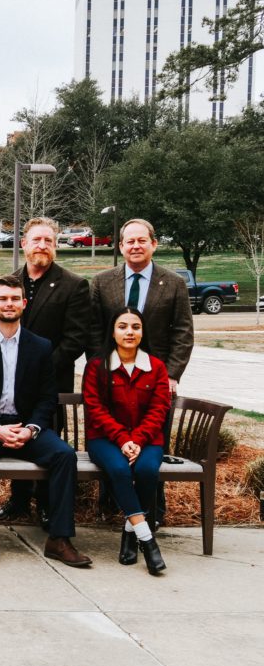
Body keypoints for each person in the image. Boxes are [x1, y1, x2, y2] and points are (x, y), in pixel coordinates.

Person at [0, 275, 92, 569]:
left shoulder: (40, 346)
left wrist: (31, 429)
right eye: (3, 299)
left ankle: (59, 539)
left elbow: (47, 397)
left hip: (27, 426)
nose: (9, 304)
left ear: (24, 304)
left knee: (64, 455)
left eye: (15, 299)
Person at [90, 218, 193, 525]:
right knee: (113, 442)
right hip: (113, 380)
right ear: (120, 246)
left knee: (149, 447)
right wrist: (101, 372)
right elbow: (95, 331)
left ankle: (153, 512)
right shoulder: (102, 281)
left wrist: (171, 375)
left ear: (153, 244)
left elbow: (183, 333)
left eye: (141, 240)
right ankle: (112, 507)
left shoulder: (173, 283)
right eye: (129, 241)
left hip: (155, 383)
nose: (135, 246)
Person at [0, 217, 92, 527]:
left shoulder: (74, 285)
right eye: (36, 240)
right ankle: (18, 501)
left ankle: (46, 506)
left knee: (46, 441)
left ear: (55, 247)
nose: (42, 246)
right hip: (10, 385)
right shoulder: (9, 283)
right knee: (15, 438)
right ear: (23, 244)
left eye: (49, 241)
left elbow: (75, 339)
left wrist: (39, 372)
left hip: (51, 384)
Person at [83, 308, 169, 575]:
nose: (129, 332)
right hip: (105, 440)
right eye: (122, 326)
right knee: (119, 470)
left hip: (147, 440)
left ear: (143, 332)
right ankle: (148, 539)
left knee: (145, 470)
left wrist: (137, 440)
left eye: (135, 326)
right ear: (112, 331)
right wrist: (122, 439)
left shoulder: (156, 367)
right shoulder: (97, 366)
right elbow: (95, 409)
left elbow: (159, 409)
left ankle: (129, 535)